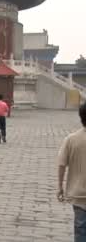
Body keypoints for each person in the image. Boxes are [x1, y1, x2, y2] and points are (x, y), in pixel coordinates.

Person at [57, 103, 86, 242]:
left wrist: (60, 187)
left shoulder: (71, 139)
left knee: (81, 230)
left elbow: (62, 164)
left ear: (81, 117)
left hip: (78, 194)